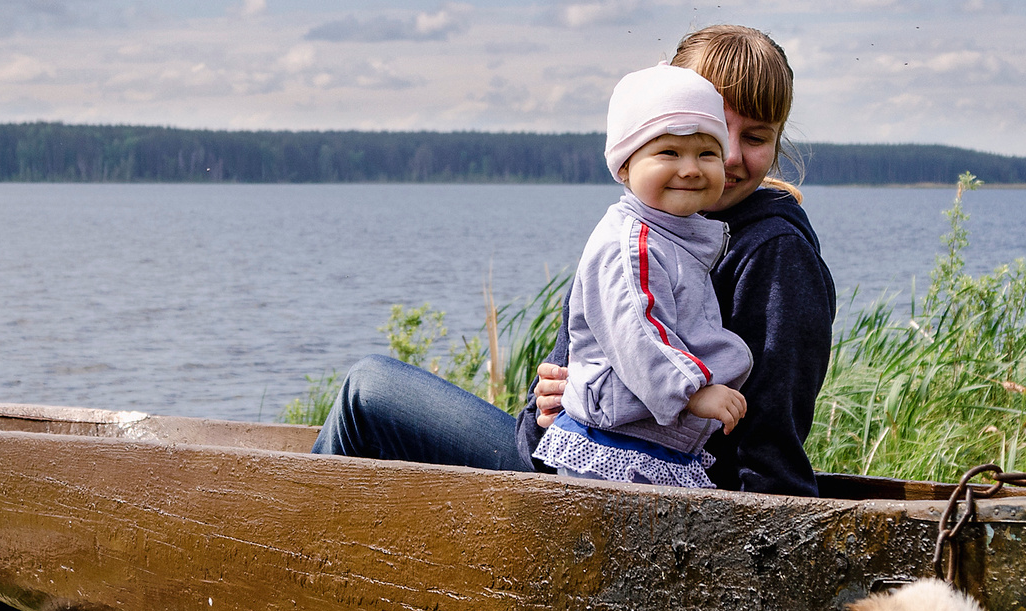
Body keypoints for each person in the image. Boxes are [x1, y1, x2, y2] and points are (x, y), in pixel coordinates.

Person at [313, 24, 837, 495]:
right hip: (569, 456)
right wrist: (556, 400)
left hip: (620, 491)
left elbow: (770, 443)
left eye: (756, 138)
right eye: (706, 132)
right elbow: (587, 370)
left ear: (778, 141)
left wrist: (592, 394)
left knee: (369, 391)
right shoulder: (655, 227)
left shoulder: (774, 252)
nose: (725, 157)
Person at [529, 65, 754, 488]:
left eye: (707, 154)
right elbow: (640, 330)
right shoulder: (631, 243)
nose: (690, 169)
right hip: (610, 444)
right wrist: (693, 392)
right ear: (625, 166)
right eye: (668, 153)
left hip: (646, 439)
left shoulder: (674, 236)